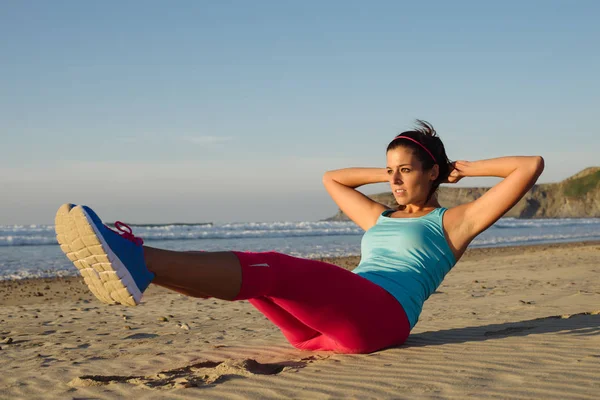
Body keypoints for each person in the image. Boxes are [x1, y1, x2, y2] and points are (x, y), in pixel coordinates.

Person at [55, 120, 544, 354]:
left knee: (277, 266)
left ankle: (138, 257)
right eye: (389, 171)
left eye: (406, 171)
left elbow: (529, 166)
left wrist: (458, 170)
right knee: (259, 279)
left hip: (381, 319)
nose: (394, 180)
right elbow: (332, 178)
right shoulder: (378, 217)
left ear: (432, 171)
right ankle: (143, 275)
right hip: (318, 335)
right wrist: (395, 165)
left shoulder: (454, 223)